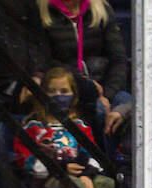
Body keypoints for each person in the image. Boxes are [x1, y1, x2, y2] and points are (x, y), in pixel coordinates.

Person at [13, 67, 114, 188]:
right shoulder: (33, 127)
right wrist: (61, 169)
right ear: (42, 94)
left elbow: (93, 155)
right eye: (52, 91)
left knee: (112, 186)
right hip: (46, 181)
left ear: (73, 95)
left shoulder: (79, 127)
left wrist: (86, 174)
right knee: (75, 186)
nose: (58, 96)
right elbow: (25, 160)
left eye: (64, 91)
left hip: (82, 175)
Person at [39, 0, 132, 136]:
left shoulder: (101, 9)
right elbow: (44, 60)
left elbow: (119, 59)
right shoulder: (43, 11)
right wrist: (86, 84)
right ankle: (98, 154)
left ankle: (115, 155)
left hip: (104, 85)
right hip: (67, 87)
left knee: (128, 105)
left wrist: (106, 94)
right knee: (98, 108)